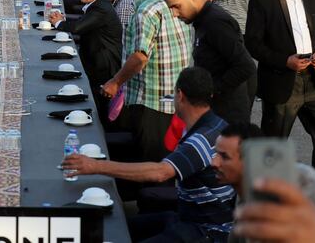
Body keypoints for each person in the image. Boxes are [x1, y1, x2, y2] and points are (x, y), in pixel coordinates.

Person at [63, 68, 235, 242]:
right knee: (117, 227)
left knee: (115, 232)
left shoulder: (200, 140)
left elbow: (160, 173)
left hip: (206, 231)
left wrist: (95, 166)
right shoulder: (218, 125)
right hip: (188, 218)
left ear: (180, 95)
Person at [245, 0, 315, 168]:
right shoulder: (263, 0)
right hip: (282, 83)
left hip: (313, 80)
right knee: (273, 145)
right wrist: (284, 61)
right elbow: (252, 44)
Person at [101, 0, 192, 162]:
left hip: (152, 102)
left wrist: (115, 82)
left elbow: (140, 57)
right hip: (175, 97)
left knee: (150, 163)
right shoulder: (172, 2)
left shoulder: (146, 11)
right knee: (168, 158)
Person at [163, 0, 255, 125]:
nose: (174, 14)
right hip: (216, 114)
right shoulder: (203, 21)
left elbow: (246, 66)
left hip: (227, 118)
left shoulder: (215, 23)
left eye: (176, 6)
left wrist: (210, 90)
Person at [48, 0, 122, 117]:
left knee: (98, 104)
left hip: (103, 66)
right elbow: (84, 23)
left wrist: (58, 23)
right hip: (96, 59)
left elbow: (77, 28)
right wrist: (64, 20)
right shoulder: (97, 5)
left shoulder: (101, 9)